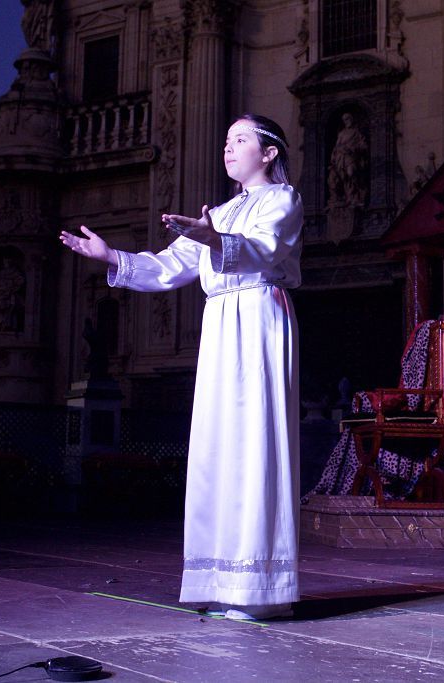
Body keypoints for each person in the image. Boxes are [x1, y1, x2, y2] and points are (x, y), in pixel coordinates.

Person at [59, 114, 303, 621]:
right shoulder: (220, 212)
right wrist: (113, 257)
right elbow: (171, 266)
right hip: (220, 324)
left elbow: (264, 250)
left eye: (241, 139)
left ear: (270, 152)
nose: (229, 148)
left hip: (258, 315)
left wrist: (214, 240)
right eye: (226, 140)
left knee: (255, 442)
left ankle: (260, 591)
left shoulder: (283, 200)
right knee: (219, 446)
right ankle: (222, 581)